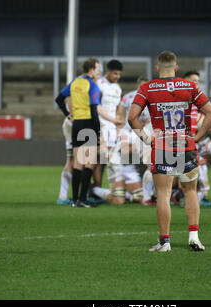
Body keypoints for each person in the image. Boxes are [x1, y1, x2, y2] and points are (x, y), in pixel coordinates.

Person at [128, 51, 211, 252]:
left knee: (163, 194)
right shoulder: (190, 86)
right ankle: (194, 237)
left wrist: (146, 138)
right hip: (186, 145)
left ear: (157, 68)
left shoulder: (147, 88)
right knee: (191, 191)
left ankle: (165, 242)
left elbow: (132, 117)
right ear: (176, 68)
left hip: (162, 146)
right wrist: (197, 137)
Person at [56, 58, 121, 208]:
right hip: (89, 123)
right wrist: (97, 131)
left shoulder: (75, 82)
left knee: (78, 163)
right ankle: (83, 199)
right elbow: (93, 110)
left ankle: (74, 200)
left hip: (77, 124)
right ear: (91, 70)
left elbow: (59, 99)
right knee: (89, 164)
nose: (99, 72)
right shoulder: (93, 86)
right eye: (98, 69)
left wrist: (68, 115)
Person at [91, 76, 148, 204]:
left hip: (129, 168)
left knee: (141, 198)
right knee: (118, 200)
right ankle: (95, 190)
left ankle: (127, 192)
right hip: (117, 166)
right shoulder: (128, 131)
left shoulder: (152, 104)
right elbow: (124, 151)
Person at [93, 60, 124, 190]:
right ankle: (97, 188)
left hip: (112, 127)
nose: (117, 76)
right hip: (100, 124)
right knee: (99, 160)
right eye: (115, 73)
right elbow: (95, 106)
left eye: (119, 74)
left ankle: (110, 190)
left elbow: (117, 109)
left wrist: (118, 127)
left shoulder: (118, 88)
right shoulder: (98, 85)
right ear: (108, 71)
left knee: (108, 161)